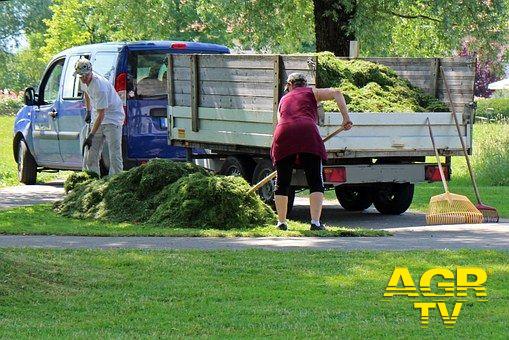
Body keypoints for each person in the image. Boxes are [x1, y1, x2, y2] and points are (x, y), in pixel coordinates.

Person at [270, 73, 353, 231]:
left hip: (284, 132)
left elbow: (280, 120)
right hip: (307, 131)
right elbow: (337, 92)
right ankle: (315, 223)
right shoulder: (312, 92)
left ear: (290, 85)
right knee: (315, 180)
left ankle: (281, 222)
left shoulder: (283, 99)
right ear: (305, 84)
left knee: (282, 181)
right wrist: (345, 118)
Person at [74, 57, 125, 176]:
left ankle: (116, 182)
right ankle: (92, 181)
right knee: (91, 154)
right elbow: (86, 93)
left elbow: (102, 114)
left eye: (85, 76)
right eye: (81, 76)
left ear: (91, 72)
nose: (83, 79)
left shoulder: (100, 87)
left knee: (114, 155)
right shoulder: (82, 80)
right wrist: (88, 110)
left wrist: (91, 135)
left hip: (113, 118)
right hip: (97, 116)